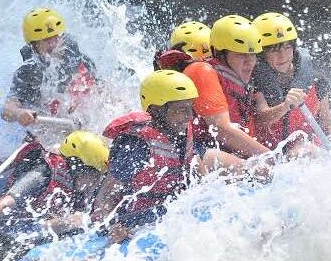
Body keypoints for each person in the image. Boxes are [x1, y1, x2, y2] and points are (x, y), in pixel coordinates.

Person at [91, 70, 251, 244]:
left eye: (190, 107)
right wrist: (112, 227)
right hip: (134, 219)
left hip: (169, 209)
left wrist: (212, 194)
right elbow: (105, 196)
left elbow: (196, 167)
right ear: (155, 110)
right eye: (181, 109)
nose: (189, 116)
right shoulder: (136, 145)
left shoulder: (180, 130)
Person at [0, 130, 109, 238]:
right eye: (94, 174)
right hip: (5, 222)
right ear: (76, 166)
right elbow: (6, 202)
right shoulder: (43, 173)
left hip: (34, 224)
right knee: (74, 220)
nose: (95, 181)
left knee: (78, 218)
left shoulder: (75, 185)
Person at [181, 15, 272, 158]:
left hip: (227, 151)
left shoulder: (246, 79)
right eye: (241, 54)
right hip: (197, 151)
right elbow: (221, 129)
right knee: (255, 167)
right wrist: (271, 158)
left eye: (252, 54)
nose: (249, 62)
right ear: (220, 54)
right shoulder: (201, 71)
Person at [252, 12, 331, 150]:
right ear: (261, 55)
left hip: (305, 147)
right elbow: (260, 119)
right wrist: (284, 106)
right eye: (274, 50)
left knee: (306, 150)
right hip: (269, 152)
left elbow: (327, 124)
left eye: (287, 47)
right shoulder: (254, 79)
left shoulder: (315, 79)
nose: (283, 56)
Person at [1, 7, 97, 127]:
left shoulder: (75, 57)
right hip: (47, 126)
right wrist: (19, 113)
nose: (53, 44)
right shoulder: (28, 71)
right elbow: (7, 110)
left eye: (56, 37)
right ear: (34, 45)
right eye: (46, 40)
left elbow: (99, 86)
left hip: (80, 119)